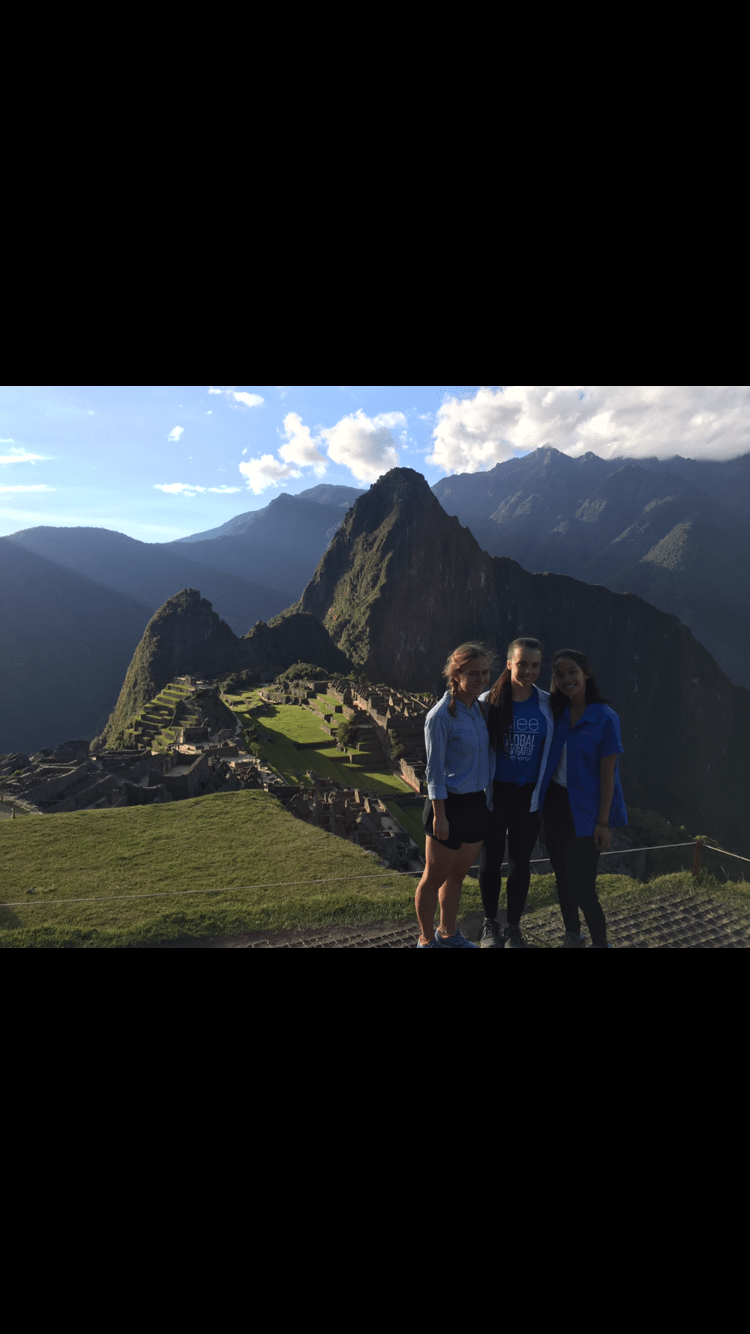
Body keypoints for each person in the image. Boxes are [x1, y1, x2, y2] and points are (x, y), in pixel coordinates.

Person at [537, 648, 628, 949]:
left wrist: (604, 822)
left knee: (584, 886)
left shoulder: (605, 718)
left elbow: (608, 776)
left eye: (572, 672)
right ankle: (573, 936)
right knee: (562, 878)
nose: (566, 679)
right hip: (555, 805)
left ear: (586, 673)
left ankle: (601, 943)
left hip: (588, 811)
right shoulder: (557, 713)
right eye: (559, 675)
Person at [478, 637, 555, 948]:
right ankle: (489, 924)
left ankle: (513, 927)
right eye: (522, 664)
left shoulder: (547, 705)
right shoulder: (488, 702)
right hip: (496, 792)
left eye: (535, 665)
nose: (528, 671)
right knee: (491, 858)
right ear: (509, 663)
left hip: (528, 796)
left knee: (520, 862)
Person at [416, 643, 493, 948]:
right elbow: (433, 771)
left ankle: (447, 934)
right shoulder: (439, 717)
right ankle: (425, 940)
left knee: (458, 877)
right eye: (473, 673)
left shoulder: (480, 710)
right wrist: (440, 814)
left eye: (485, 673)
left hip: (476, 803)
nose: (480, 679)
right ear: (455, 673)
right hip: (448, 804)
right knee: (433, 878)